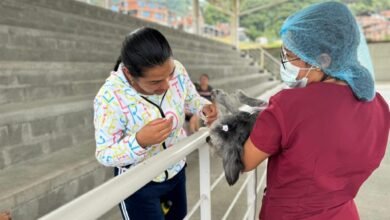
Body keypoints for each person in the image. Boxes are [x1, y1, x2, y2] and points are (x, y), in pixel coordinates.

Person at [241, 2, 389, 220]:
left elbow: (244, 161)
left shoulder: (287, 105)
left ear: (323, 60)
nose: (286, 61)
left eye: (291, 55)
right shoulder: (379, 106)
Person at [93, 27, 218, 220]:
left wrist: (204, 108)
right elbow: (104, 153)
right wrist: (139, 141)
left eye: (170, 74)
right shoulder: (109, 97)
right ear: (129, 74)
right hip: (138, 185)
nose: (167, 84)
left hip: (176, 170)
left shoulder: (176, 69)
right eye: (155, 82)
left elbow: (190, 99)